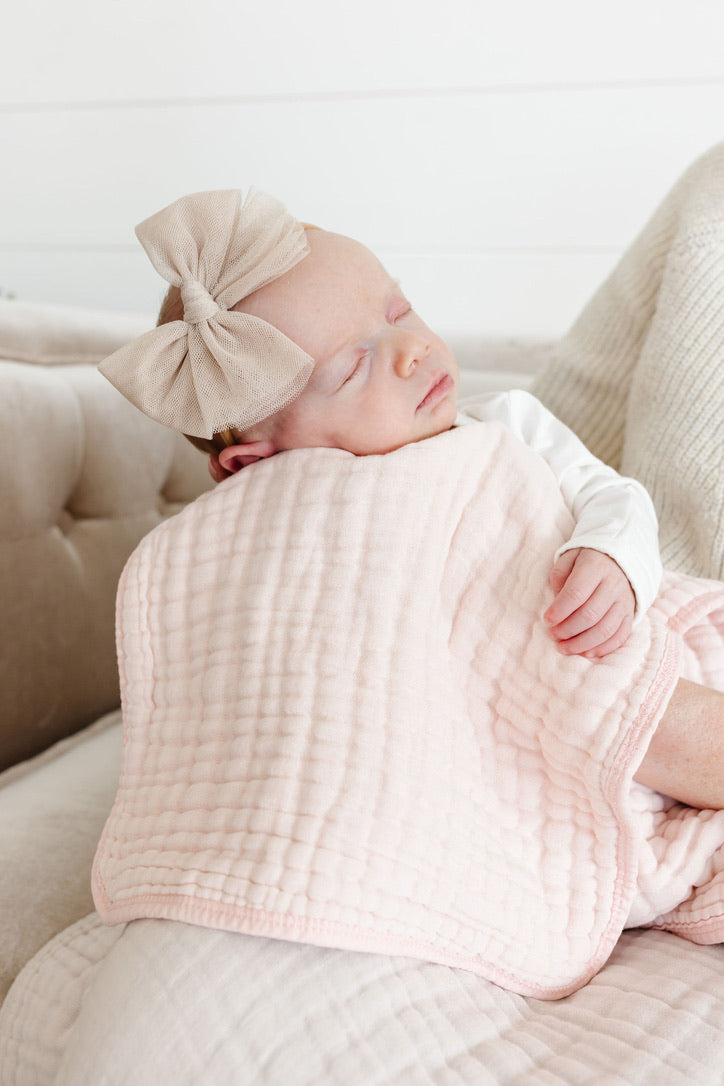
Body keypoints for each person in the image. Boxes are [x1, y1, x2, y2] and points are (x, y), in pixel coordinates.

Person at [99, 187, 724, 811]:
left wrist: (612, 558)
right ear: (259, 464)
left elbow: (612, 494)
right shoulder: (291, 531)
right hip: (469, 742)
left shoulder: (508, 423)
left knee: (650, 707)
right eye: (352, 368)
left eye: (399, 313)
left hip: (579, 646)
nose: (411, 349)